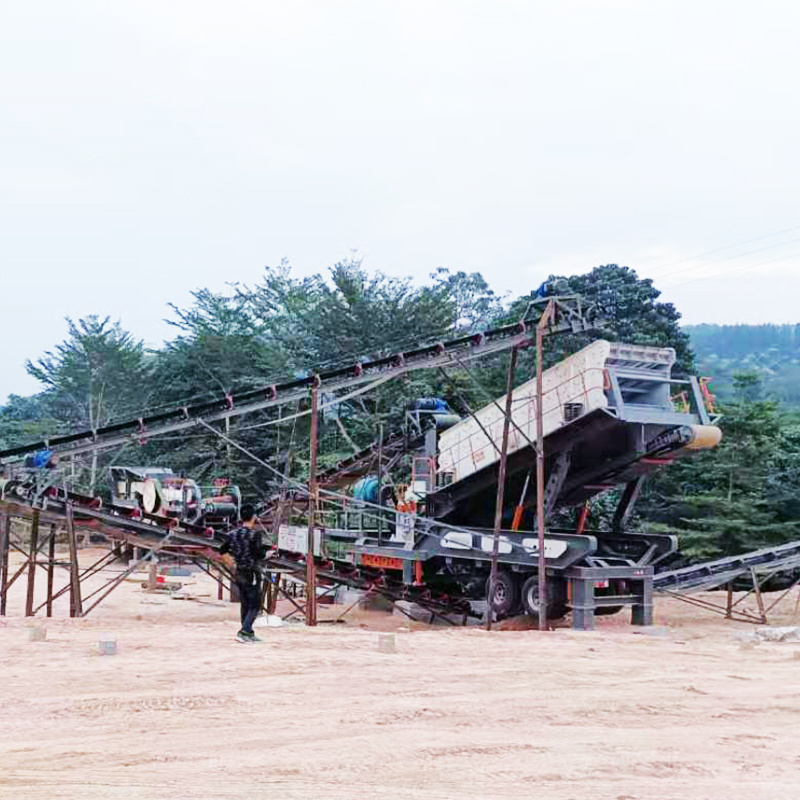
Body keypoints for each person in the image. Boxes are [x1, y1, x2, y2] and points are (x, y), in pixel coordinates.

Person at [219, 503, 267, 643]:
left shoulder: (233, 534)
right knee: (255, 604)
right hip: (251, 572)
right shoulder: (254, 534)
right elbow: (258, 554)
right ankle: (244, 631)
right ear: (253, 517)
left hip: (239, 571)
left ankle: (248, 633)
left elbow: (222, 550)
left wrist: (232, 563)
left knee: (245, 602)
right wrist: (267, 554)